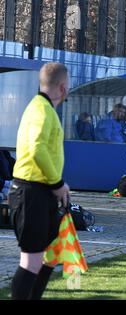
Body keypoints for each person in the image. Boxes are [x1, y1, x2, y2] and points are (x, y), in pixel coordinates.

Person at [8, 62, 71, 300]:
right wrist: (57, 184)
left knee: (51, 255)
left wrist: (56, 186)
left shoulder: (43, 108)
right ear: (63, 87)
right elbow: (36, 149)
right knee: (31, 261)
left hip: (41, 192)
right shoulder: (41, 110)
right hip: (30, 192)